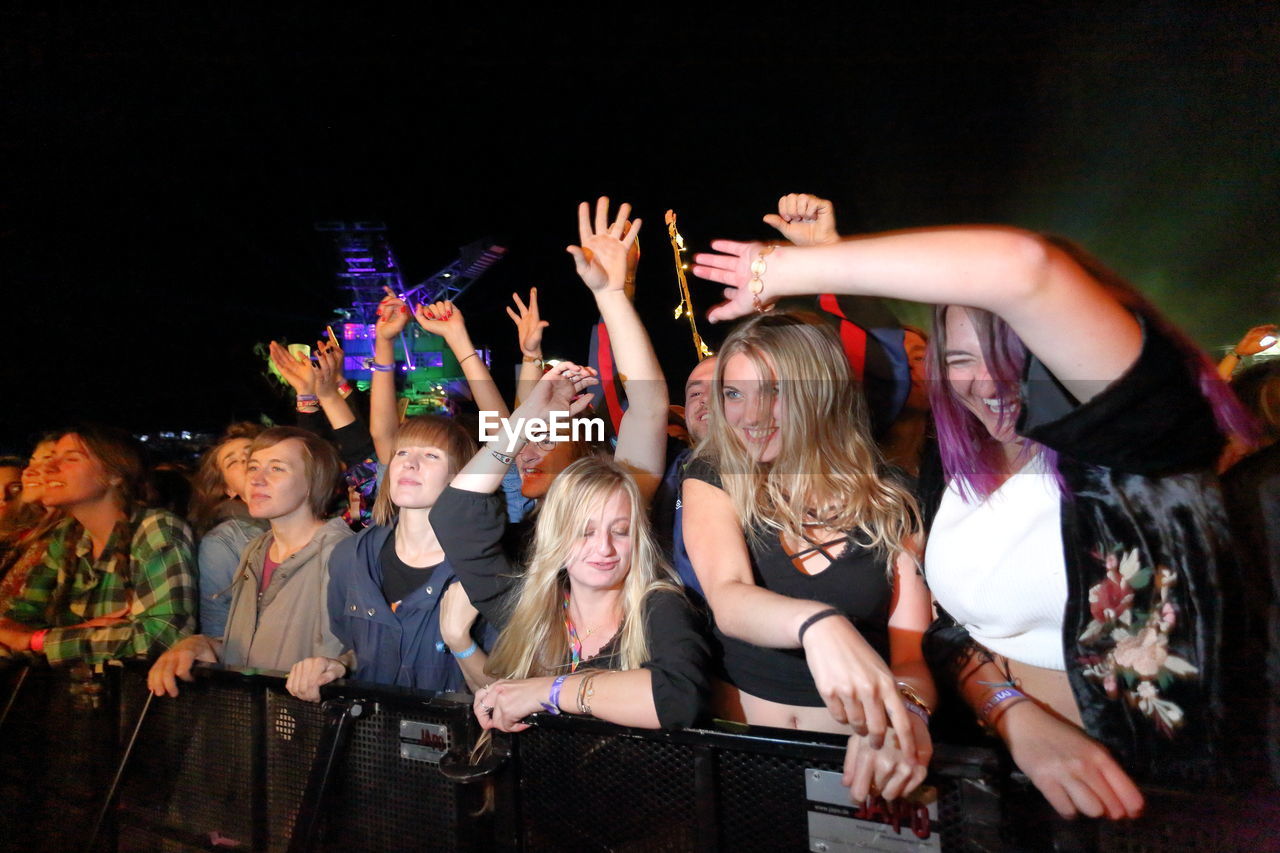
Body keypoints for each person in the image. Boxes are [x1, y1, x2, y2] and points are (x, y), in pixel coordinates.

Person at [691, 224, 1251, 818]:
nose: (986, 381)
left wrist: (789, 271)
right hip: (986, 762)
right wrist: (1006, 711)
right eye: (959, 359)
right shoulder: (952, 467)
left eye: (1011, 353)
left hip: (1142, 779)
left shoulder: (1130, 447)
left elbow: (1024, 268)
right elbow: (949, 630)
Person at [681, 312, 933, 803]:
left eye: (774, 391)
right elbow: (729, 599)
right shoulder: (714, 475)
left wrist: (906, 715)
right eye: (734, 394)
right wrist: (819, 623)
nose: (751, 416)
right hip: (743, 755)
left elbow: (910, 657)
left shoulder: (892, 497)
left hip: (856, 763)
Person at [432, 363, 710, 732]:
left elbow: (678, 699)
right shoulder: (528, 603)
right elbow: (453, 515)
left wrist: (549, 690)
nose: (605, 548)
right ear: (554, 536)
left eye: (621, 531)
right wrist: (523, 421)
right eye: (584, 531)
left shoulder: (658, 605)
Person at [283, 414, 489, 701]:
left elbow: (505, 697)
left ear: (459, 477)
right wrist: (340, 665)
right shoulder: (350, 557)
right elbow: (358, 650)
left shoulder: (483, 570)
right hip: (372, 739)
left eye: (431, 455)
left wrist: (460, 641)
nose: (409, 462)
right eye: (401, 452)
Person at [147, 426, 351, 695]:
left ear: (314, 481)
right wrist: (198, 644)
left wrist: (339, 665)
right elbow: (249, 653)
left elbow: (379, 649)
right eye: (253, 467)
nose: (256, 479)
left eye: (276, 468)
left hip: (312, 723)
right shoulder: (255, 550)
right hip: (255, 719)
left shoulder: (344, 553)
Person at [0, 425, 196, 664]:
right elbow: (19, 616)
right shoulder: (67, 535)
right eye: (52, 458)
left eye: (71, 458)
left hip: (132, 696)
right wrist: (77, 632)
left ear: (115, 474)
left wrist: (40, 641)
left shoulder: (155, 530)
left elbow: (166, 635)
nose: (48, 468)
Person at [187, 423, 268, 638]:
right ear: (229, 489)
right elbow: (218, 628)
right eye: (232, 462)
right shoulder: (223, 542)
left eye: (251, 453)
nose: (245, 461)